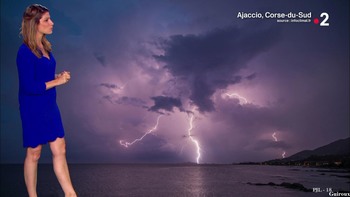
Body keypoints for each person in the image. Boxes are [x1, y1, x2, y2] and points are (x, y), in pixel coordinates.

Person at [16, 4, 77, 197]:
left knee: (61, 148)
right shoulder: (24, 52)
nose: (52, 23)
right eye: (47, 20)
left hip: (50, 105)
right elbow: (29, 87)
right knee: (34, 153)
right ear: (34, 24)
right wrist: (57, 81)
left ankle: (70, 194)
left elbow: (42, 76)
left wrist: (57, 76)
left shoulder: (46, 48)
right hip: (32, 107)